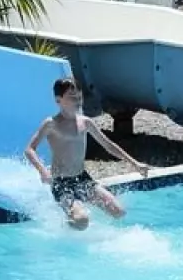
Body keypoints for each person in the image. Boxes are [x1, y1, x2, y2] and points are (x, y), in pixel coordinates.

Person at [24, 78, 149, 230]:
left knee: (118, 211)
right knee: (82, 221)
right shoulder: (51, 123)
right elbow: (30, 149)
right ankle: (63, 225)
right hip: (61, 183)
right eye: (72, 97)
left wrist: (135, 163)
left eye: (79, 96)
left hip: (82, 178)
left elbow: (108, 145)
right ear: (58, 100)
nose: (77, 100)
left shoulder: (86, 122)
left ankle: (75, 215)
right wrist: (43, 171)